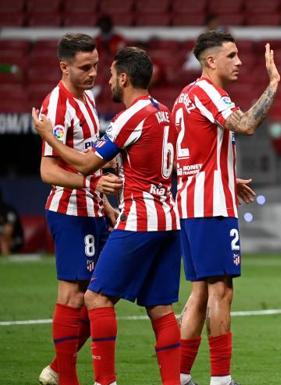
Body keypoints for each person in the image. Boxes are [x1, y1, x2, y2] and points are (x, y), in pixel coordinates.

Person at [33, 47, 181, 385]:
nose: (103, 78)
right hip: (168, 219)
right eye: (89, 67)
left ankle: (103, 381)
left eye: (108, 72)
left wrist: (47, 137)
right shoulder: (164, 112)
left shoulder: (129, 116)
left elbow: (87, 164)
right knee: (160, 307)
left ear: (125, 78)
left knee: (95, 297)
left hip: (139, 220)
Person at [172, 30, 279, 385]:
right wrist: (273, 84)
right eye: (231, 56)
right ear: (210, 61)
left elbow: (187, 154)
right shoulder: (208, 92)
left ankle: (180, 377)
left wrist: (226, 177)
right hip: (210, 207)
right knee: (222, 290)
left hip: (191, 203)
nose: (240, 62)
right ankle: (221, 380)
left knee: (201, 291)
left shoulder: (185, 97)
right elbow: (246, 124)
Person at [35, 33, 122, 385]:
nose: (93, 74)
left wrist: (103, 202)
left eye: (96, 66)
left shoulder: (85, 99)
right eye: (85, 67)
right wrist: (91, 186)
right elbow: (48, 170)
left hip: (91, 209)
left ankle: (57, 368)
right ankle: (65, 377)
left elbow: (87, 159)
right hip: (68, 212)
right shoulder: (56, 106)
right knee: (73, 295)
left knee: (102, 295)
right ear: (64, 66)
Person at [0, 188, 24, 255]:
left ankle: (6, 262)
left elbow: (8, 232)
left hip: (15, 240)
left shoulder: (8, 211)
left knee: (2, 239)